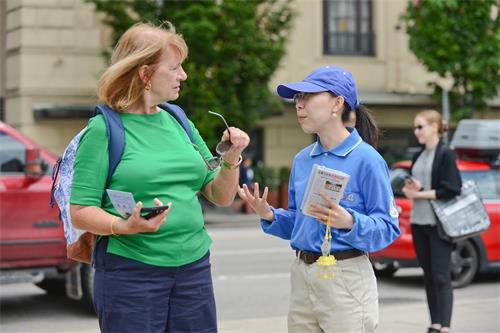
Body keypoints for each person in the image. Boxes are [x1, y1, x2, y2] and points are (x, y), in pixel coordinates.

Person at [69, 22, 249, 333]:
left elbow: (219, 195)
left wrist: (231, 158)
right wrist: (123, 225)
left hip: (193, 270)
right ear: (145, 74)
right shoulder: (104, 130)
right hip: (131, 275)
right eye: (175, 67)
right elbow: (80, 211)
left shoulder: (179, 120)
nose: (184, 76)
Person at [238, 66, 400, 333]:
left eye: (308, 97)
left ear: (337, 102)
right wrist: (269, 214)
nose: (298, 105)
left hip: (346, 277)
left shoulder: (367, 160)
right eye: (297, 98)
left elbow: (388, 228)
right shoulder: (302, 160)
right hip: (303, 276)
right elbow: (300, 224)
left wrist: (349, 221)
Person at [402, 110, 462, 333]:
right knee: (428, 274)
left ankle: (445, 326)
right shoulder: (418, 155)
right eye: (415, 127)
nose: (416, 131)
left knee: (441, 275)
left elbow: (451, 189)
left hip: (438, 224)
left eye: (420, 127)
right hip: (418, 222)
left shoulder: (446, 154)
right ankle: (435, 323)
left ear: (435, 127)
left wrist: (419, 195)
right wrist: (412, 188)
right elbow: (420, 184)